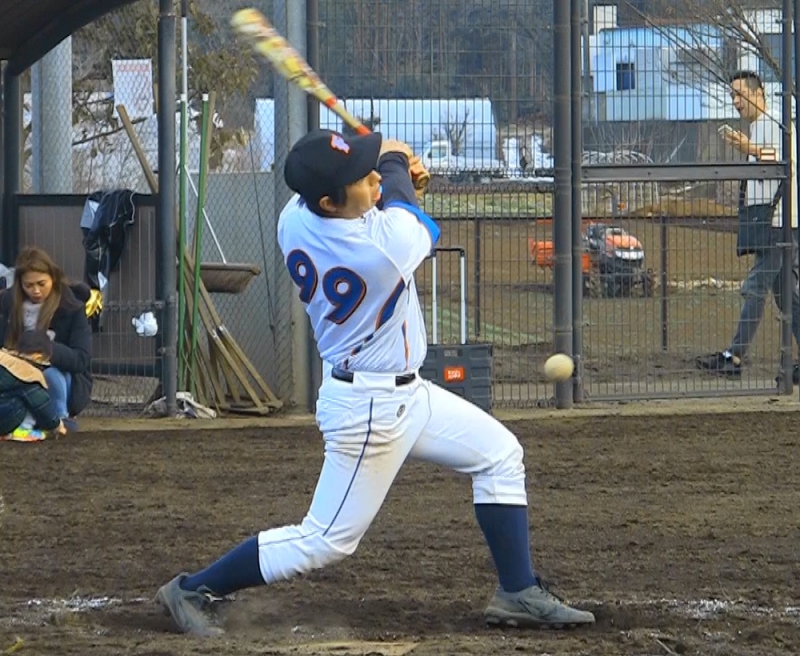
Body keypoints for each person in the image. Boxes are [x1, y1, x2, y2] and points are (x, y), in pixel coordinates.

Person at [155, 129, 596, 637]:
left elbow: (383, 202)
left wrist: (392, 176)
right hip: (370, 407)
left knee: (499, 454)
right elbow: (401, 216)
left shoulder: (295, 217)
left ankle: (518, 591)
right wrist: (397, 165)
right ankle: (194, 588)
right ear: (329, 200)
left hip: (406, 393)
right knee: (326, 539)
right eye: (360, 180)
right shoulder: (382, 250)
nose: (372, 182)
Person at [696, 70, 800, 382]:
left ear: (758, 93)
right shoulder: (763, 125)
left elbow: (783, 161)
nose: (736, 101)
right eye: (733, 95)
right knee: (786, 295)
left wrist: (750, 149)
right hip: (777, 222)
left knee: (756, 286)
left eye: (740, 94)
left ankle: (735, 356)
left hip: (778, 223)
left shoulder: (774, 124)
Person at [0, 247, 93, 431]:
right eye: (29, 285)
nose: (36, 291)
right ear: (20, 284)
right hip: (19, 374)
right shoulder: (9, 304)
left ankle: (60, 416)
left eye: (41, 284)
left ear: (53, 278)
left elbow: (82, 359)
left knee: (49, 376)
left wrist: (48, 348)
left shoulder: (71, 307)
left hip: (61, 376)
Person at [0, 329, 67, 440]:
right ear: (38, 357)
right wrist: (57, 424)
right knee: (28, 401)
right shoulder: (27, 374)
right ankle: (22, 430)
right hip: (4, 415)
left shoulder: (3, 358)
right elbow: (41, 405)